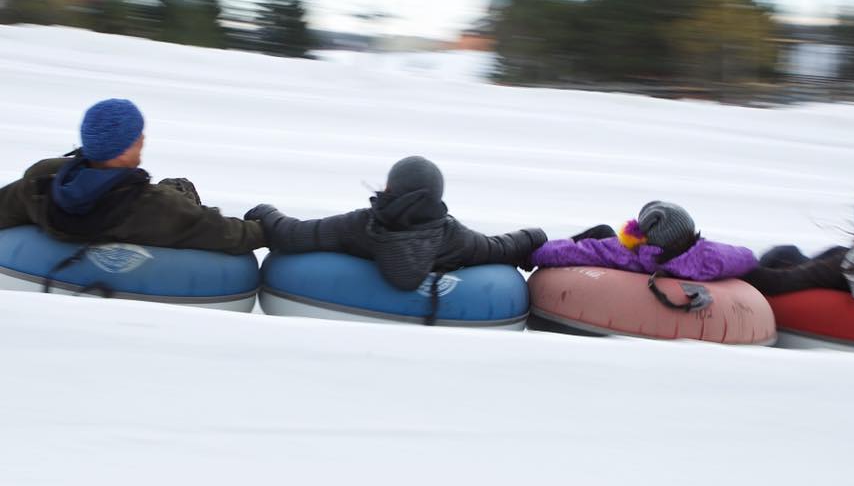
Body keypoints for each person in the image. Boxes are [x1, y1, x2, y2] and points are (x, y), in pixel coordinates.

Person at [0, 98, 263, 254]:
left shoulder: (41, 183)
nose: (143, 139)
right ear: (123, 150)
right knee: (180, 190)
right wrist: (266, 227)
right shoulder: (152, 205)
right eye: (137, 136)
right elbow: (229, 234)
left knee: (176, 187)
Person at [246, 155, 547, 290]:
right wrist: (534, 237)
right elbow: (498, 248)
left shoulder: (361, 226)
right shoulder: (453, 237)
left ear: (391, 189)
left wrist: (265, 211)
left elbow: (295, 234)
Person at [530, 200, 757, 281]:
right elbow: (746, 257)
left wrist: (534, 252)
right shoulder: (708, 256)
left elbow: (580, 252)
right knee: (604, 231)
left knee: (601, 232)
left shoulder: (629, 254)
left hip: (632, 269)